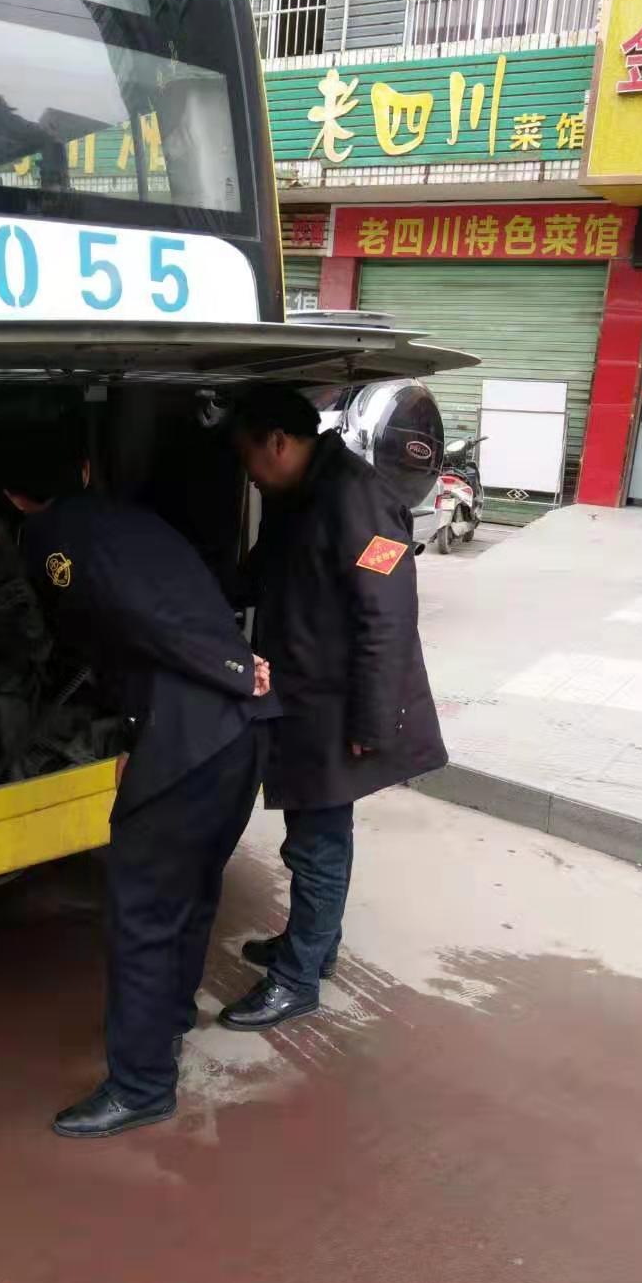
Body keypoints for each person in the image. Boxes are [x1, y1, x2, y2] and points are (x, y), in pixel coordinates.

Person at [0, 435, 278, 1138]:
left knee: (143, 910)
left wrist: (231, 667)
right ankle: (168, 1018)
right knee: (192, 887)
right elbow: (152, 619)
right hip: (237, 734)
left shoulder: (54, 539)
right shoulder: (130, 519)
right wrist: (138, 731)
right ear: (86, 466)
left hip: (191, 738)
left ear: (12, 498)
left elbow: (135, 620)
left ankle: (142, 1084)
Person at [219, 385, 447, 1032]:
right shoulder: (299, 493)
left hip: (340, 708)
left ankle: (297, 981)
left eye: (247, 457)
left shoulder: (358, 499)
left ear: (277, 442)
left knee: (317, 843)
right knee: (314, 833)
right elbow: (264, 570)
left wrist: (372, 722)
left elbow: (387, 616)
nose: (247, 473)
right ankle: (313, 947)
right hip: (305, 695)